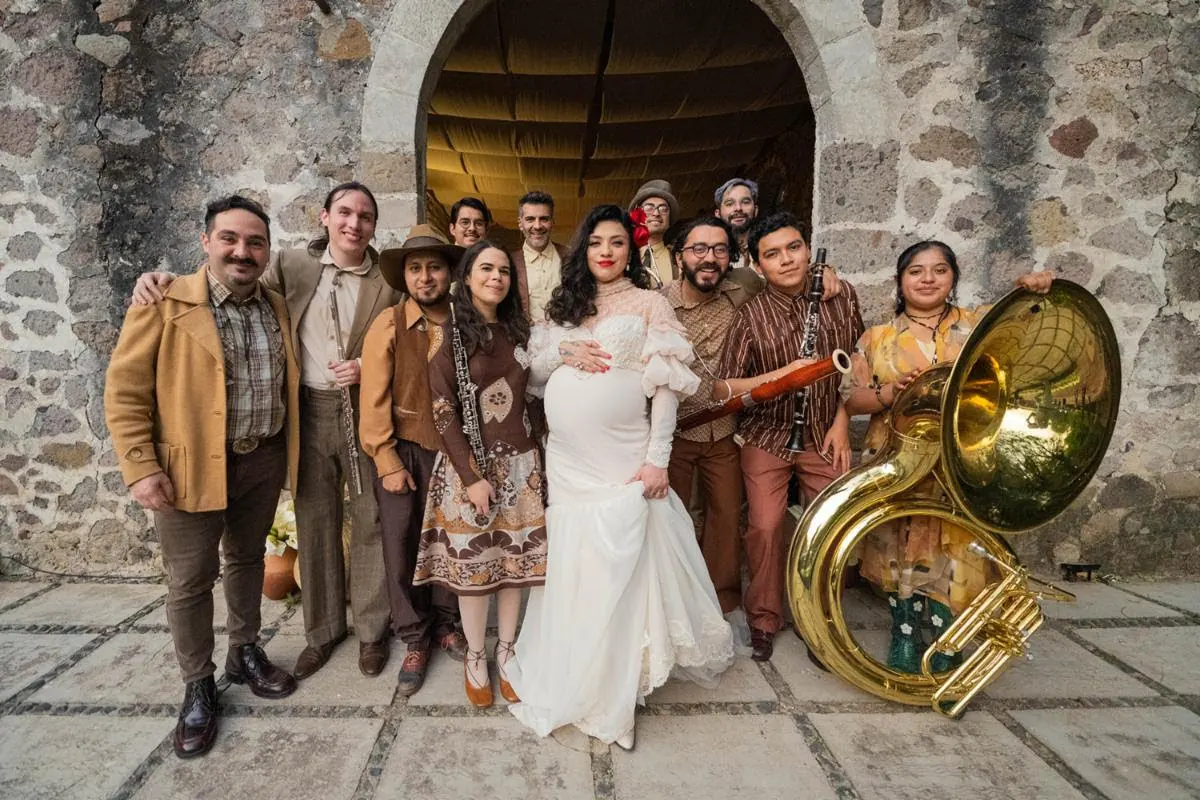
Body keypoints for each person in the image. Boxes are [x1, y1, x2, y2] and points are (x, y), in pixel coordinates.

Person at [132, 182, 401, 680]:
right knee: (315, 519)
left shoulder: (389, 279)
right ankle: (322, 632)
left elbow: (407, 340)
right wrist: (158, 279)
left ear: (374, 225)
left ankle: (371, 632)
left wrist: (371, 366)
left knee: (371, 521)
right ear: (324, 217)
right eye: (344, 212)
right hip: (305, 412)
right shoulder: (291, 267)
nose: (354, 223)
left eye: (365, 216)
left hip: (364, 413)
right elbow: (227, 280)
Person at [507, 204, 734, 751]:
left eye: (616, 242)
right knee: (578, 558)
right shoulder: (563, 306)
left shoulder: (650, 303)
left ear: (630, 251)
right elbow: (532, 369)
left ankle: (623, 671)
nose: (606, 251)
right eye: (595, 242)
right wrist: (562, 350)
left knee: (624, 557)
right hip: (567, 461)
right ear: (582, 250)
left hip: (623, 455)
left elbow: (665, 386)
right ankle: (577, 654)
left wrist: (658, 457)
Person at [105, 195, 300, 758]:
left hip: (260, 458)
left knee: (246, 559)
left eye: (255, 242)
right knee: (189, 581)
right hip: (188, 466)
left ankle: (245, 652)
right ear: (206, 243)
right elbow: (124, 390)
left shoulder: (276, 305)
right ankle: (197, 686)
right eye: (231, 239)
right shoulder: (164, 302)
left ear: (266, 250)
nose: (243, 251)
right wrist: (140, 468)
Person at [840, 240, 1054, 673]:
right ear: (900, 282)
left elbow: (1030, 326)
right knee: (904, 542)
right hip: (900, 456)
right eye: (916, 271)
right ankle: (904, 631)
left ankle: (946, 634)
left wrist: (1037, 286)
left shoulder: (979, 325)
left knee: (954, 544)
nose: (927, 279)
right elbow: (850, 400)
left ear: (953, 277)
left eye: (939, 270)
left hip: (962, 456)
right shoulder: (876, 338)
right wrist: (891, 391)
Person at [715, 211, 864, 662]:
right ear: (758, 265)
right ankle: (764, 618)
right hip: (768, 434)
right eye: (772, 254)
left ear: (808, 248)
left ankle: (819, 618)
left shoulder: (840, 295)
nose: (786, 260)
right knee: (764, 526)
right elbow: (725, 385)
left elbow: (857, 362)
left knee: (831, 526)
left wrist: (842, 417)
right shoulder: (751, 316)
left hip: (825, 429)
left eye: (794, 248)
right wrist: (784, 376)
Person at [412, 240, 547, 708]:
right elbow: (443, 409)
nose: (496, 277)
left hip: (523, 464)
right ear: (466, 277)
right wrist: (472, 477)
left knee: (513, 567)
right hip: (472, 470)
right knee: (475, 571)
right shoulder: (450, 335)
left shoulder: (521, 331)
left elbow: (536, 395)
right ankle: (475, 655)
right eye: (485, 268)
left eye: (504, 271)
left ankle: (507, 651)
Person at [358, 225, 469, 697]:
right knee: (401, 544)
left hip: (454, 454)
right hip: (404, 450)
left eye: (435, 267)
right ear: (405, 276)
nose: (426, 278)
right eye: (416, 268)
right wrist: (385, 457)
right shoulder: (389, 323)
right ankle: (414, 636)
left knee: (449, 541)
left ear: (448, 273)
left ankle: (447, 622)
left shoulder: (466, 320)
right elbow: (373, 397)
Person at [663, 216, 756, 615]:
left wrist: (830, 276)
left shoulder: (743, 292)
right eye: (698, 249)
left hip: (723, 431)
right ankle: (673, 601)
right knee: (672, 519)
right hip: (674, 433)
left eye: (719, 249)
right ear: (679, 255)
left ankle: (722, 604)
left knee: (725, 516)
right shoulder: (658, 303)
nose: (709, 258)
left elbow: (792, 283)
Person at [509, 190, 568, 320]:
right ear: (520, 223)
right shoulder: (509, 262)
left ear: (552, 222)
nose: (537, 226)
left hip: (567, 336)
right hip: (525, 338)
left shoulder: (570, 257)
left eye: (544, 219)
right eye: (530, 219)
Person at [712, 177, 766, 292]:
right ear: (718, 213)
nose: (738, 208)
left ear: (755, 210)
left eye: (745, 202)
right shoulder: (711, 254)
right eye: (729, 203)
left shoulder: (769, 249)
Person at [628, 179, 679, 288]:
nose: (656, 213)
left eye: (663, 209)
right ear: (637, 214)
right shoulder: (624, 255)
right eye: (649, 208)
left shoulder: (679, 258)